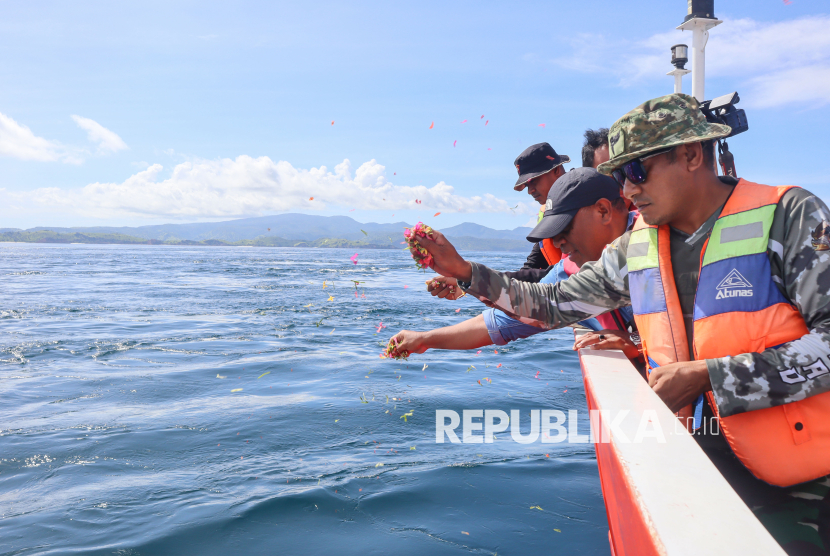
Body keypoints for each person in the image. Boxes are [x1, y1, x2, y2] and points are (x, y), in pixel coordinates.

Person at [410, 93, 830, 554]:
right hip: (695, 464)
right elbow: (550, 304)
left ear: (691, 155)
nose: (627, 190)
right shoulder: (635, 247)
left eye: (636, 172)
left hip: (806, 487)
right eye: (619, 176)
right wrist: (467, 273)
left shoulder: (789, 216)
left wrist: (710, 377)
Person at [390, 168, 640, 360]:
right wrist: (424, 338)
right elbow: (520, 315)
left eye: (564, 229)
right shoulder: (574, 270)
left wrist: (638, 343)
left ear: (603, 212)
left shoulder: (656, 243)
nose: (558, 242)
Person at [429, 141, 570, 301]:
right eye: (526, 186)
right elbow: (534, 266)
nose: (530, 191)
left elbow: (564, 275)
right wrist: (469, 283)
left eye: (533, 181)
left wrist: (471, 277)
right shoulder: (549, 213)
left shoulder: (582, 205)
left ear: (556, 170)